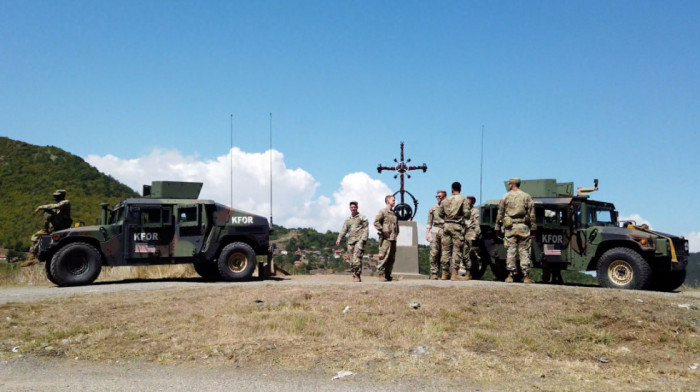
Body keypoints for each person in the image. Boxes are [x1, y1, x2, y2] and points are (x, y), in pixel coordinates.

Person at [495, 178, 536, 283]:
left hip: (510, 228)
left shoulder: (506, 196)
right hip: (523, 227)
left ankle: (510, 275)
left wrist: (497, 227)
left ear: (511, 185)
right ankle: (526, 276)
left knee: (511, 251)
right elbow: (532, 214)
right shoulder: (526, 196)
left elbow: (500, 213)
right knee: (524, 251)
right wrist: (533, 228)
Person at [22, 189, 72, 267]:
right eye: (55, 196)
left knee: (48, 211)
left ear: (62, 196)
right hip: (52, 228)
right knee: (36, 238)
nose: (55, 198)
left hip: (62, 226)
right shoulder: (57, 205)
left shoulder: (66, 203)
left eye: (57, 196)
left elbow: (57, 206)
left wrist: (40, 207)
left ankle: (40, 256)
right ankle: (32, 258)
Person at [439, 182, 471, 280]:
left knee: (445, 250)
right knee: (457, 250)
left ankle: (444, 273)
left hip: (446, 226)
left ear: (452, 189)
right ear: (460, 189)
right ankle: (454, 273)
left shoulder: (445, 200)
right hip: (457, 227)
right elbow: (467, 214)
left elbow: (440, 213)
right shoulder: (463, 200)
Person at [336, 201, 369, 282]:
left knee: (357, 258)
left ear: (357, 207)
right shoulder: (348, 220)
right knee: (351, 260)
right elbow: (344, 230)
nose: (353, 208)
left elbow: (366, 229)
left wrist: (363, 239)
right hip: (350, 242)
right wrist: (339, 238)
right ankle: (354, 274)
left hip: (359, 241)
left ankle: (357, 275)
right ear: (350, 208)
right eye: (352, 207)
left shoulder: (362, 217)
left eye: (354, 207)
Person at [374, 195, 399, 281]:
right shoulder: (383, 211)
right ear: (388, 201)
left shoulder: (394, 213)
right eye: (393, 200)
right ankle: (381, 275)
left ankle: (388, 275)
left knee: (391, 258)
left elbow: (396, 226)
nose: (394, 201)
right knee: (383, 256)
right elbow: (376, 222)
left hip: (393, 238)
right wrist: (383, 231)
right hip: (386, 239)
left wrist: (396, 233)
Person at [426, 190, 447, 280]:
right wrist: (427, 233)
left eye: (440, 196)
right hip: (435, 230)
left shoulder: (448, 208)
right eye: (437, 196)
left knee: (445, 253)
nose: (438, 198)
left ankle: (445, 272)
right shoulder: (433, 208)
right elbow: (429, 222)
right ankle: (434, 273)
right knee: (434, 252)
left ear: (444, 197)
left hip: (445, 230)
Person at [461, 195, 481, 280]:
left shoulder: (475, 211)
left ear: (472, 203)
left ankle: (470, 272)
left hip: (471, 233)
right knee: (464, 252)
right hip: (464, 232)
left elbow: (477, 224)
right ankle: (466, 271)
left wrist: (475, 235)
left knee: (470, 253)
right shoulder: (464, 211)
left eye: (468, 202)